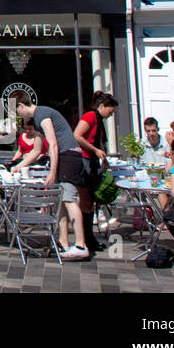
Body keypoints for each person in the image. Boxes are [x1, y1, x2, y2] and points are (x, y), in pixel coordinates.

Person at [10, 90, 91, 260]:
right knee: (60, 202)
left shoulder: (42, 114)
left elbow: (53, 145)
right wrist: (18, 166)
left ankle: (81, 245)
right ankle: (63, 243)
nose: (18, 115)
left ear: (21, 106)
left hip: (68, 157)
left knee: (69, 199)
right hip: (64, 157)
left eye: (17, 111)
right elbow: (37, 150)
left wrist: (52, 172)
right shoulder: (39, 120)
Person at [75, 92, 119, 251]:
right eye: (110, 111)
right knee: (86, 201)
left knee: (91, 201)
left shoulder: (98, 120)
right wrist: (95, 150)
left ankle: (89, 237)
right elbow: (77, 135)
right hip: (84, 161)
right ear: (102, 106)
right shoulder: (90, 117)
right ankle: (86, 239)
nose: (110, 115)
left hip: (92, 162)